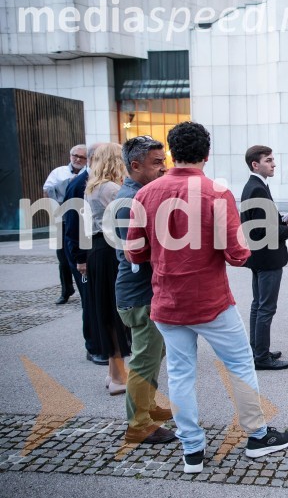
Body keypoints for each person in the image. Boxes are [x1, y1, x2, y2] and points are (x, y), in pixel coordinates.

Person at [126, 122, 288, 473]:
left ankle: (192, 449)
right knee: (240, 364)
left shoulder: (146, 194)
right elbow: (237, 254)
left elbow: (134, 253)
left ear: (172, 153)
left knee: (180, 373)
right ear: (207, 154)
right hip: (211, 301)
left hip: (167, 303)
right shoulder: (217, 193)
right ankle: (258, 435)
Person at [113, 136, 175, 445]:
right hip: (140, 294)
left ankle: (148, 407)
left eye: (163, 161)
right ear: (135, 166)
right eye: (157, 163)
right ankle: (138, 423)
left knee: (154, 353)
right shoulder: (130, 201)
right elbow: (139, 252)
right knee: (143, 360)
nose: (164, 168)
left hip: (146, 291)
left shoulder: (140, 194)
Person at [240, 145, 288, 371]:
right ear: (256, 164)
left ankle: (257, 350)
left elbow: (261, 222)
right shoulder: (256, 188)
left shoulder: (255, 185)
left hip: (259, 257)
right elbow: (261, 231)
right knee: (265, 308)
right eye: (269, 160)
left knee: (259, 305)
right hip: (267, 258)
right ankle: (261, 357)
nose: (274, 164)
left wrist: (282, 219)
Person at [84, 142, 131, 395]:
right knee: (115, 314)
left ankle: (114, 372)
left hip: (97, 250)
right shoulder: (111, 188)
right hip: (109, 250)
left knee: (107, 312)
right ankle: (117, 376)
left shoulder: (93, 186)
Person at [63, 143, 106, 365]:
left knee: (97, 300)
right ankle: (94, 347)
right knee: (89, 301)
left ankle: (102, 344)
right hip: (83, 254)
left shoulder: (91, 182)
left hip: (90, 251)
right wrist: (80, 258)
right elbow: (73, 225)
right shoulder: (80, 184)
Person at [44, 144, 86, 305]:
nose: (77, 159)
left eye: (82, 157)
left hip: (78, 218)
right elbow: (47, 191)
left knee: (79, 255)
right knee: (63, 257)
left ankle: (83, 290)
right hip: (61, 219)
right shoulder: (58, 172)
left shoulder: (86, 173)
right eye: (75, 155)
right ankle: (66, 290)